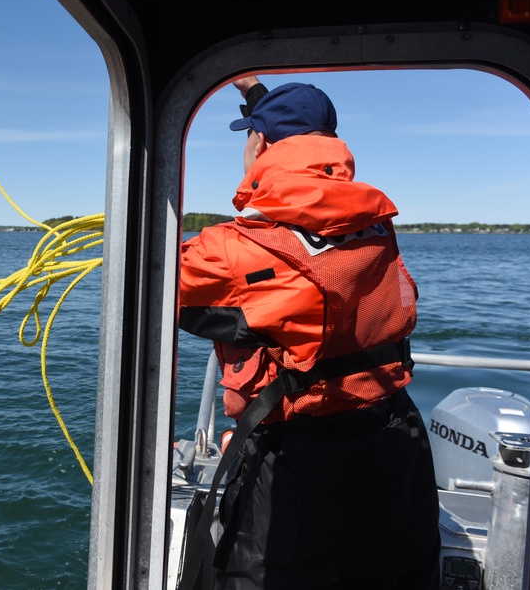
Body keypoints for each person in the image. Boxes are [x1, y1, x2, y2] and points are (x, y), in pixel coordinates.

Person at [179, 80, 440, 589]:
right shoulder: (375, 224)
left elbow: (160, 281)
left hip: (298, 465)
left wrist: (255, 155)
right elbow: (309, 186)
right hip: (394, 443)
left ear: (261, 146)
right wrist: (259, 97)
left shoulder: (232, 250)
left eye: (250, 138)